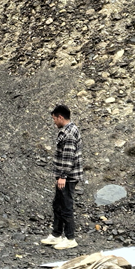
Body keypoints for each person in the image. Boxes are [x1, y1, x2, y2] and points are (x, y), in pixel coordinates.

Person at [41, 104, 83, 250]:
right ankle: (56, 234)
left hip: (68, 177)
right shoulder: (67, 130)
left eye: (54, 118)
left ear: (60, 117)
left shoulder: (69, 132)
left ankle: (70, 238)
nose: (54, 122)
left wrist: (63, 176)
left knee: (66, 205)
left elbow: (68, 156)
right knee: (58, 203)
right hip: (64, 176)